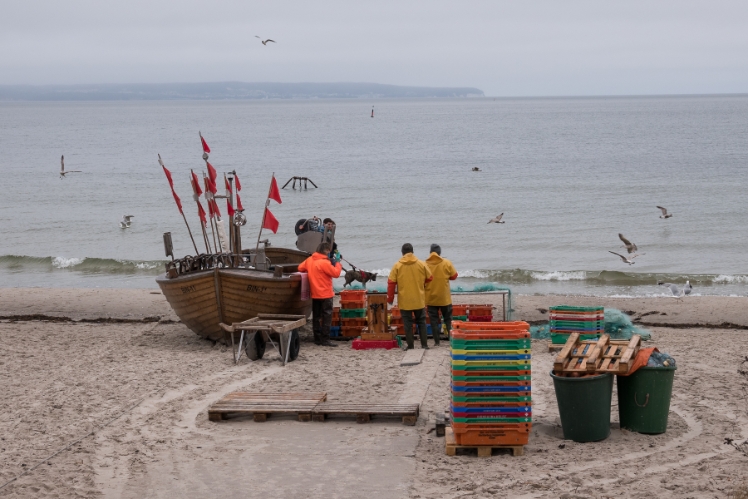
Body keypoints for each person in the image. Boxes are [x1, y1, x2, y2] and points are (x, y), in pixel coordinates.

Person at [387, 243, 433, 349]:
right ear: (413, 252)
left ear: (402, 253)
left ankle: (411, 346)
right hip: (419, 298)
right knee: (421, 321)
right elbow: (430, 277)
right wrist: (421, 282)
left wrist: (390, 299)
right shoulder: (421, 264)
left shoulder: (397, 265)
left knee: (407, 323)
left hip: (405, 300)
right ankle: (424, 345)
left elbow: (391, 283)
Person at [297, 242, 342, 347]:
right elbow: (336, 274)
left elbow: (300, 268)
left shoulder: (310, 260)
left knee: (316, 317)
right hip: (326, 293)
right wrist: (337, 263)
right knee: (327, 316)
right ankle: (325, 339)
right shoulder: (324, 263)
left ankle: (317, 338)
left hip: (315, 293)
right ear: (326, 251)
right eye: (328, 251)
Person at [424, 244, 458, 344]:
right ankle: (451, 340)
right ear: (440, 253)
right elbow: (454, 276)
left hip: (430, 298)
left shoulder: (425, 264)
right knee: (448, 319)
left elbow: (422, 279)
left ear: (430, 253)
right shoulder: (446, 262)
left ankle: (437, 341)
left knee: (434, 321)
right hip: (445, 297)